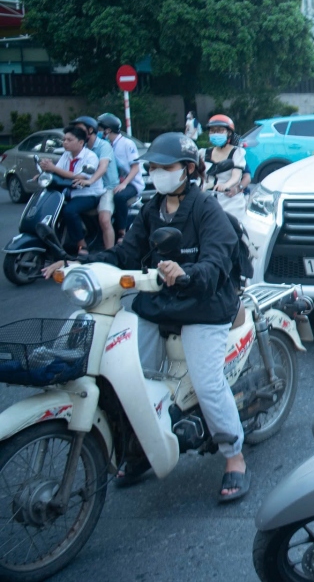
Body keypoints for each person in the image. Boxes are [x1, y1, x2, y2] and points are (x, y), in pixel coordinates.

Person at [42, 133, 251, 502]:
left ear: (188, 170)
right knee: (130, 379)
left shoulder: (206, 209)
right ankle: (140, 449)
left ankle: (234, 457)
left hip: (204, 305)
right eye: (153, 167)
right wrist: (77, 262)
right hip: (160, 303)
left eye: (165, 167)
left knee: (207, 383)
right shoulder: (152, 210)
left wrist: (187, 274)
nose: (157, 174)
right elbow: (124, 253)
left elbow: (217, 262)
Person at [39, 124, 104, 255]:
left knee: (70, 211)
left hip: (89, 194)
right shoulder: (66, 155)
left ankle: (82, 245)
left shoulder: (90, 157)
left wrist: (54, 169)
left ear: (81, 142)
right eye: (64, 140)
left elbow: (80, 177)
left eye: (69, 140)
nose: (65, 143)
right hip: (71, 193)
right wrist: (44, 172)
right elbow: (57, 172)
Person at [65, 116, 117, 249]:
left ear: (90, 130)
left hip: (107, 188)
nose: (77, 131)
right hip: (88, 187)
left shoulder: (103, 146)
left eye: (80, 129)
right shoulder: (81, 147)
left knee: (104, 220)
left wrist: (90, 180)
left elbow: (103, 166)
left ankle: (110, 254)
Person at [97, 113, 144, 239]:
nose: (99, 132)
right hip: (115, 182)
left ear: (108, 130)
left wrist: (124, 184)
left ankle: (121, 231)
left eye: (100, 130)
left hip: (131, 183)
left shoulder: (127, 144)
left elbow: (135, 167)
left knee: (119, 197)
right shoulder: (106, 145)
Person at [202, 114, 247, 219]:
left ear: (229, 133)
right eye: (212, 131)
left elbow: (236, 176)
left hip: (229, 201)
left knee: (232, 228)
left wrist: (227, 185)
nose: (215, 133)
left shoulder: (237, 152)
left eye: (220, 130)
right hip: (207, 199)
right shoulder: (204, 153)